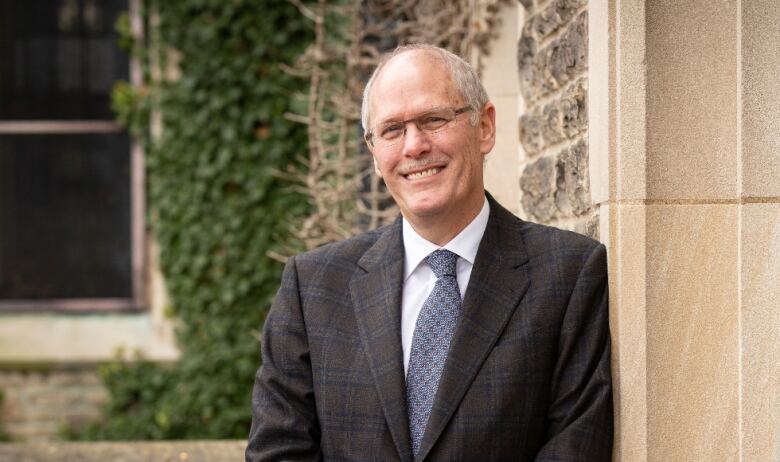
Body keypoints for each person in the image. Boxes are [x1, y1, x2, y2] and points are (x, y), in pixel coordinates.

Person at [246, 44, 612, 461]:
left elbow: (576, 447)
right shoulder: (313, 287)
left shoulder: (568, 275)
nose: (414, 146)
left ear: (485, 127)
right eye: (392, 129)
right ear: (374, 152)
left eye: (433, 120)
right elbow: (278, 451)